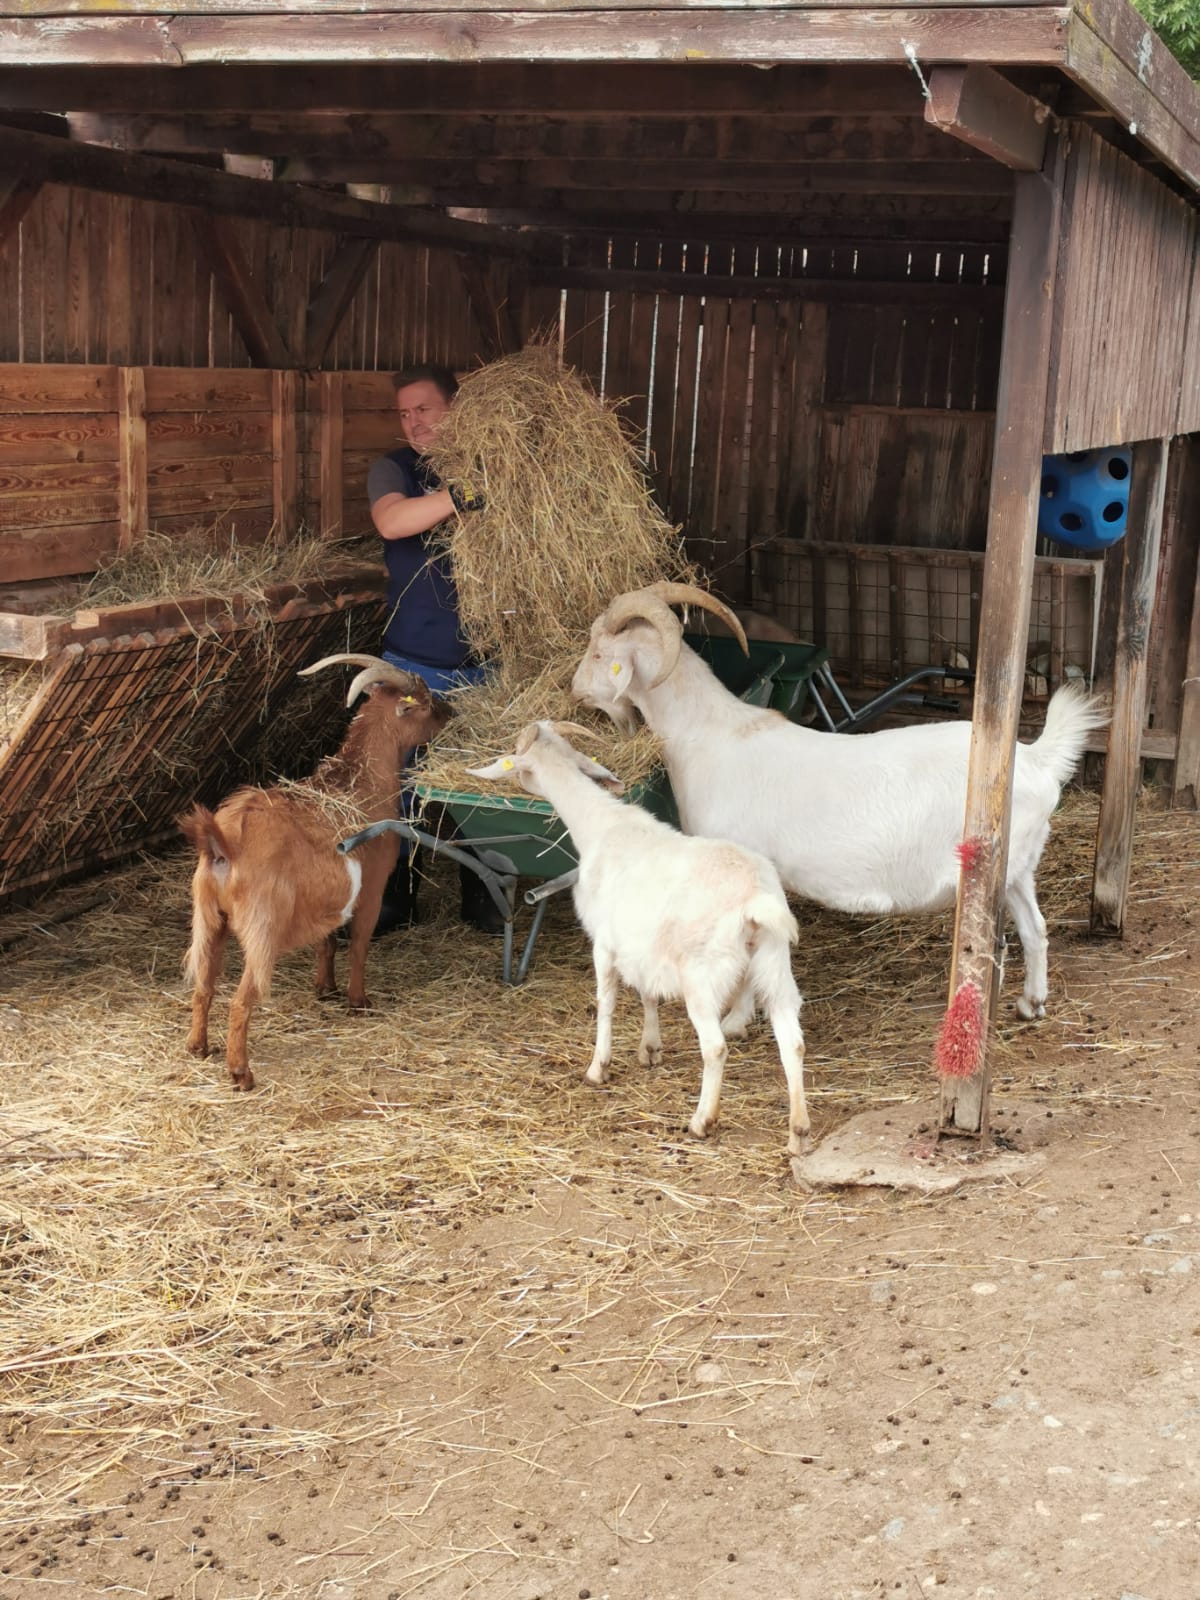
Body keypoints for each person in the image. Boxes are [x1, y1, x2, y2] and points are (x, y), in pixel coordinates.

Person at [366, 362, 502, 935]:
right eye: (404, 413)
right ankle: (397, 891)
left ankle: (486, 887)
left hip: (488, 667)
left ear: (456, 408)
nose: (414, 422)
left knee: (488, 783)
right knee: (397, 779)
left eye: (425, 409)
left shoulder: (494, 466)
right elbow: (393, 522)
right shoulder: (394, 468)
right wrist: (460, 496)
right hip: (413, 666)